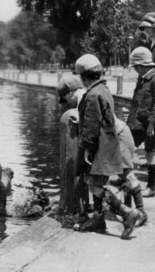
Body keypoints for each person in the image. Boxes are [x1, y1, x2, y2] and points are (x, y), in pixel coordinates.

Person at [72, 54, 141, 240]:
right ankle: (99, 221)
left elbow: (91, 125)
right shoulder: (104, 89)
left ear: (84, 77)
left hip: (99, 147)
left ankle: (127, 213)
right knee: (98, 183)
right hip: (108, 143)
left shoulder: (92, 94)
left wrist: (86, 147)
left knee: (94, 186)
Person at [127, 47, 155, 198]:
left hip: (150, 125)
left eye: (136, 68)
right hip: (137, 123)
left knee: (150, 153)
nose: (136, 70)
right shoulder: (142, 79)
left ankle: (151, 187)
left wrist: (151, 123)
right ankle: (127, 180)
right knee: (127, 147)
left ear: (143, 66)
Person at [57, 75, 89, 217]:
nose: (66, 103)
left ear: (70, 93)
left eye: (65, 99)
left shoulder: (83, 98)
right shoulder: (83, 97)